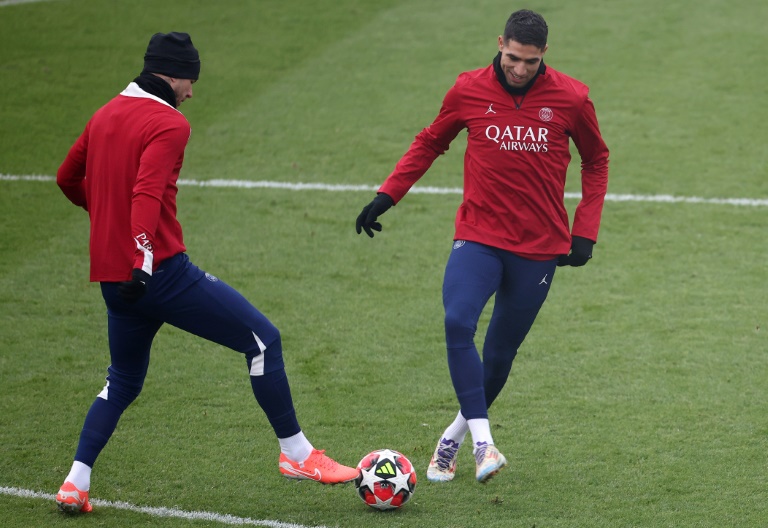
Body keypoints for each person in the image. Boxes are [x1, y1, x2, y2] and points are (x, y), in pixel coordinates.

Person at [54, 32, 358, 514]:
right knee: (262, 340)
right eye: (190, 81)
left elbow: (67, 178)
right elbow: (146, 193)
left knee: (123, 382)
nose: (192, 92)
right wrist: (142, 256)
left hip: (115, 283)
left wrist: (107, 225)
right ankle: (297, 455)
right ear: (172, 74)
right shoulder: (169, 123)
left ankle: (75, 482)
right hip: (160, 274)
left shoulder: (104, 113)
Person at [356, 10, 609, 484]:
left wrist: (585, 229)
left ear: (544, 56)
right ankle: (483, 443)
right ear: (500, 43)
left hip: (538, 249)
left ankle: (452, 437)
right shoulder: (468, 89)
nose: (518, 70)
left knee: (498, 357)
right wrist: (387, 194)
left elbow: (596, 161)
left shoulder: (572, 98)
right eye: (512, 58)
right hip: (479, 236)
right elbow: (432, 141)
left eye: (530, 63)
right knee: (457, 321)